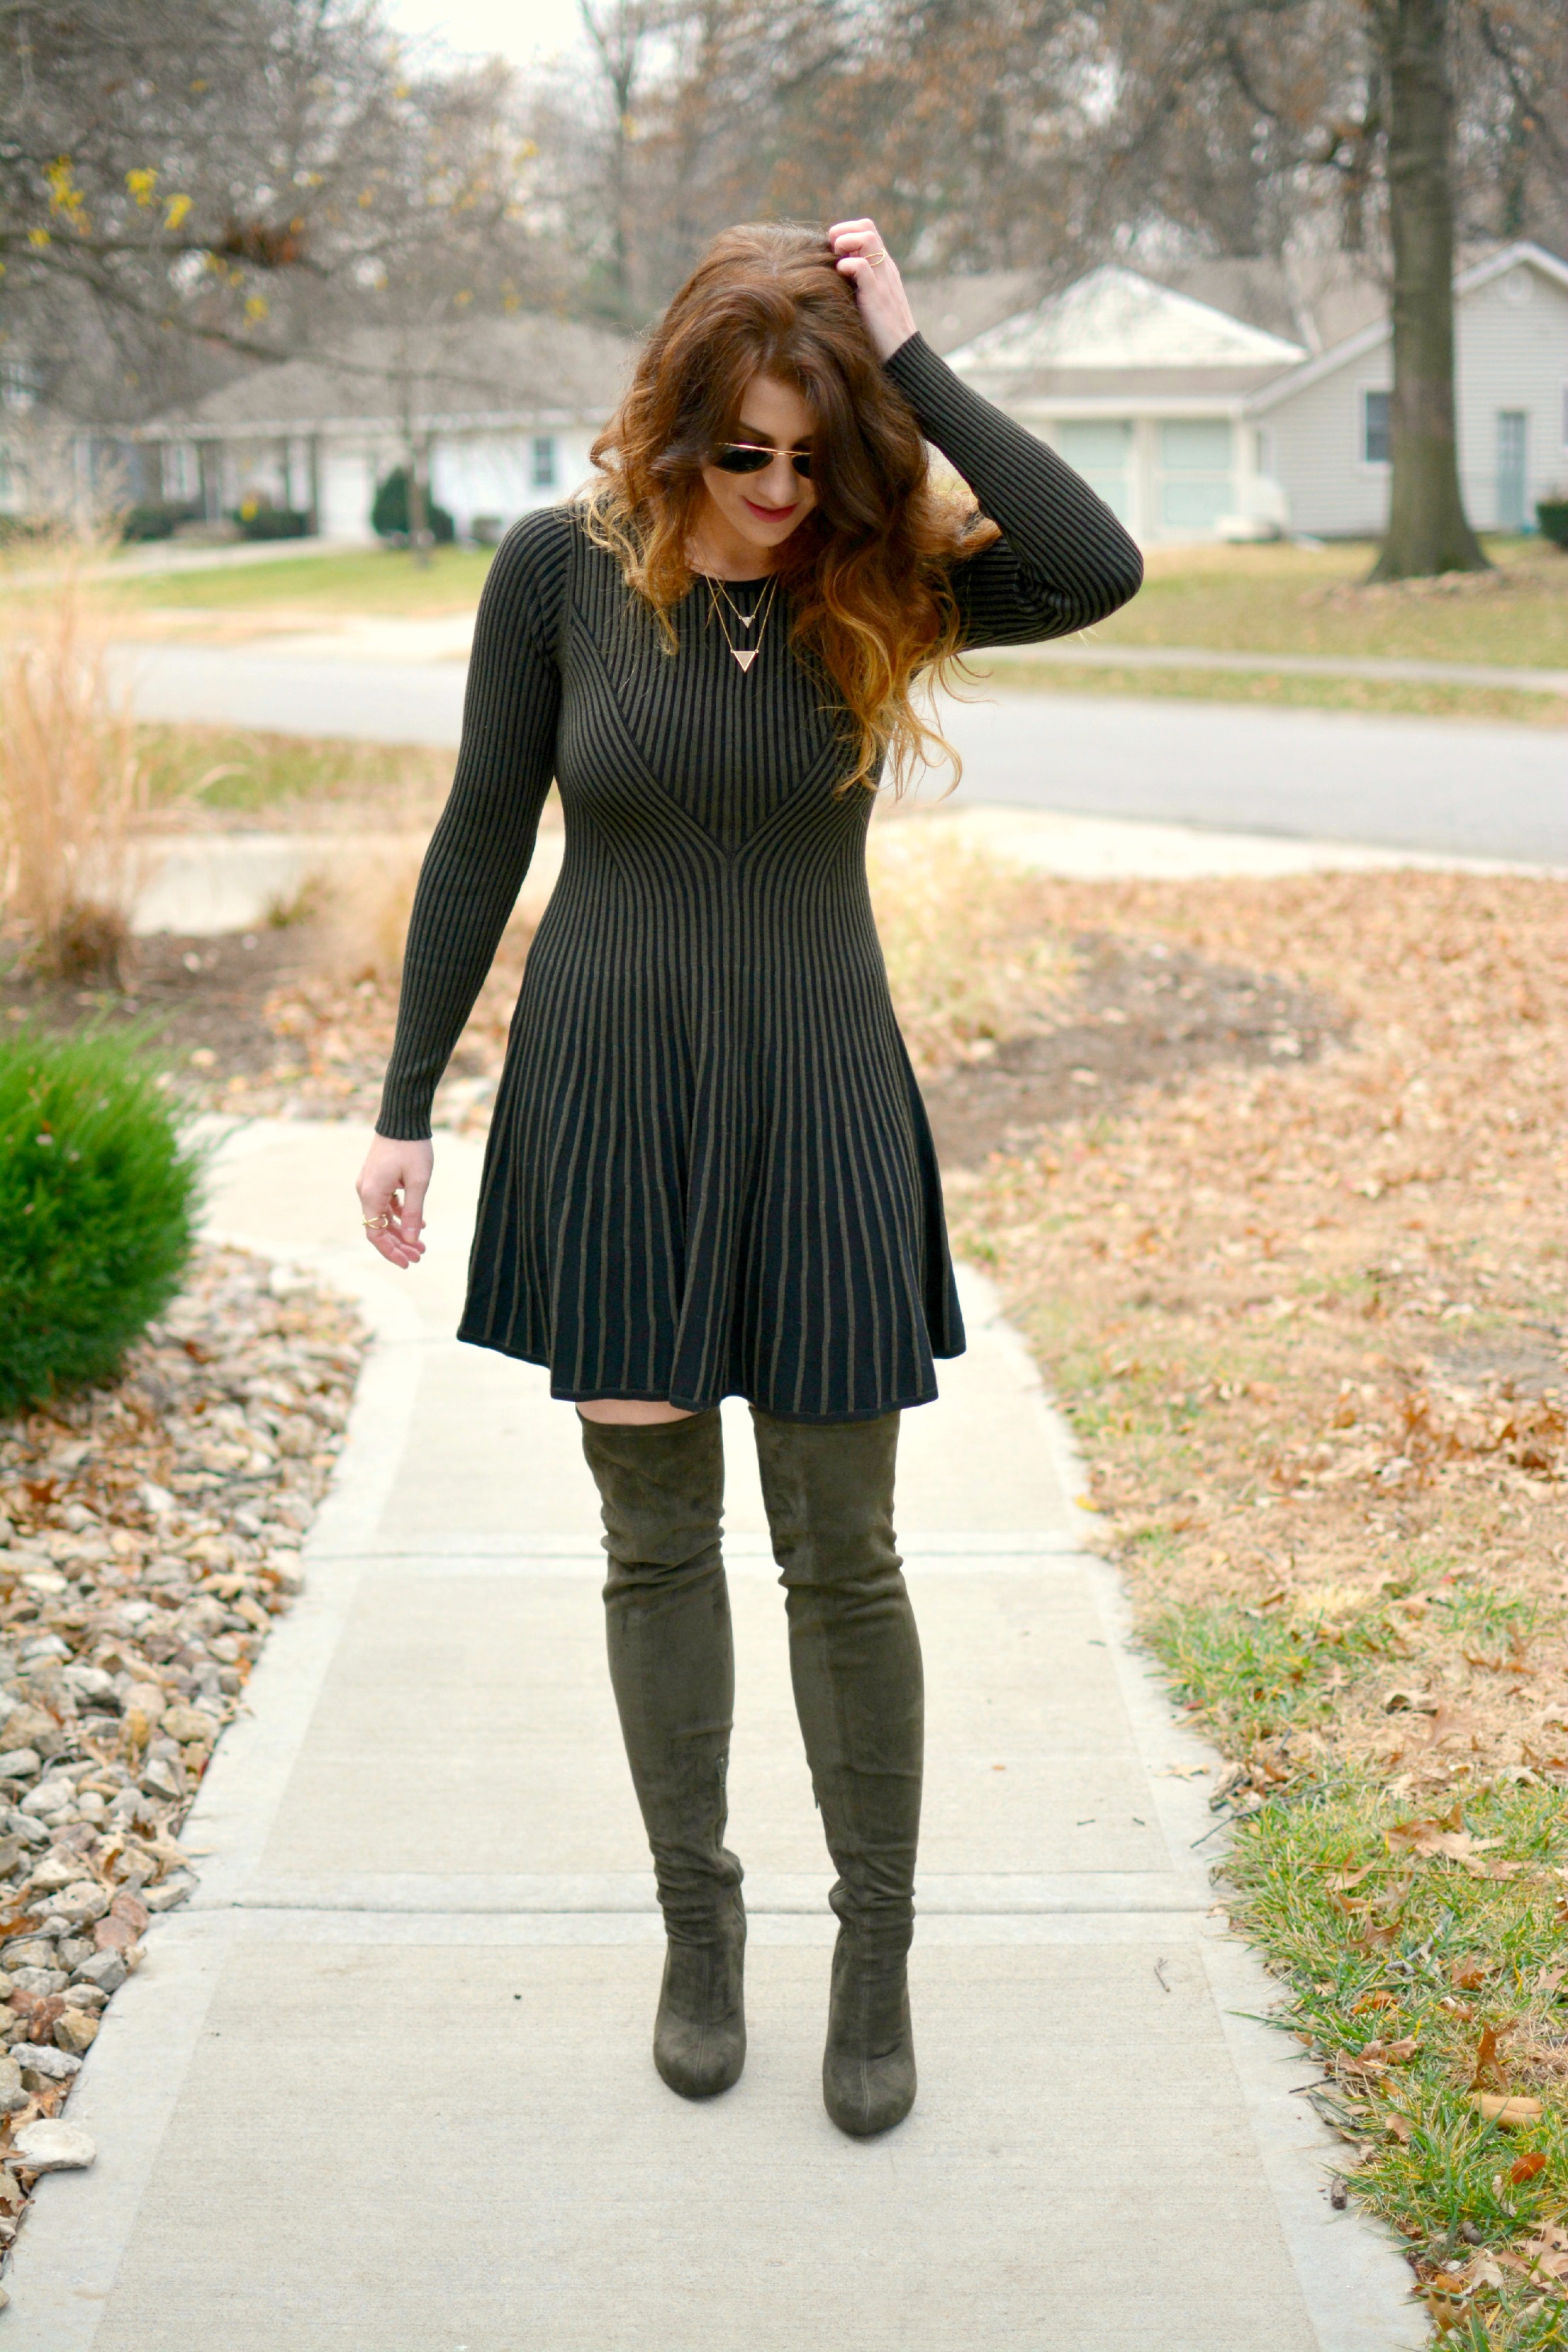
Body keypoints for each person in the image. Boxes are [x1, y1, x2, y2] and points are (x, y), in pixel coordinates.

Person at [357, 217, 1142, 2138]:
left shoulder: (878, 578)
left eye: (813, 452)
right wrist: (402, 1106)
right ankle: (697, 1934)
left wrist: (917, 355)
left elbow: (1097, 563)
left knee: (843, 1551)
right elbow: (479, 837)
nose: (782, 492)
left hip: (816, 1100)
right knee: (649, 1541)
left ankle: (869, 1956)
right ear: (677, 428)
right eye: (747, 456)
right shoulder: (555, 573)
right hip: (608, 1095)